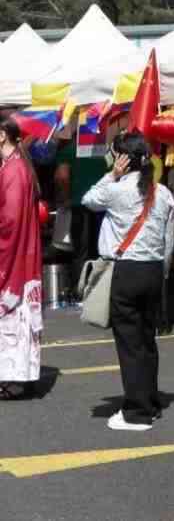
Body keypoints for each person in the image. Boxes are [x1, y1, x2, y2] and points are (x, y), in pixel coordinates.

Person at [82, 132, 174, 431]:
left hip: (126, 271)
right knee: (147, 340)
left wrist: (112, 174)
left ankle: (137, 412)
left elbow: (88, 199)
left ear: (123, 159)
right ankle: (150, 399)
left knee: (130, 343)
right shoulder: (163, 193)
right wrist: (163, 272)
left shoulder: (117, 189)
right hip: (153, 269)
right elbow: (168, 241)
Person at [0, 116, 43, 401]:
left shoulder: (14, 169)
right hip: (22, 253)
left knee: (12, 318)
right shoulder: (18, 165)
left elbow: (10, 219)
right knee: (17, 318)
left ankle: (13, 379)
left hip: (13, 253)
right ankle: (16, 377)